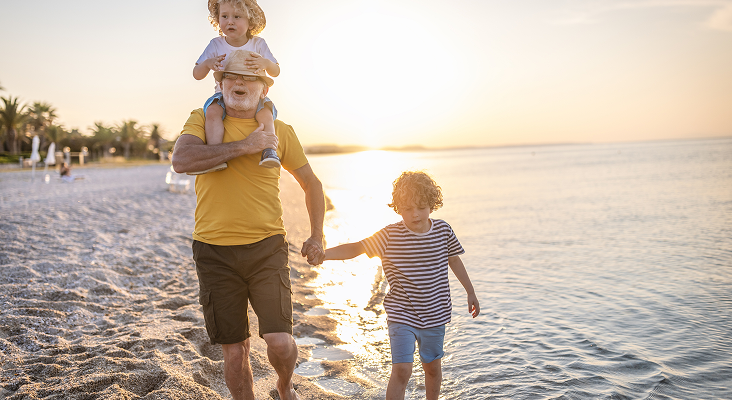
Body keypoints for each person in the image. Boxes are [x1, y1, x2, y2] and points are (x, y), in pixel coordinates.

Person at [172, 51, 325, 400]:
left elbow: (311, 184)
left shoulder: (281, 131)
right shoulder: (201, 118)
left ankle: (284, 386)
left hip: (266, 247)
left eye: (248, 76)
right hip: (213, 250)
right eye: (231, 75)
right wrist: (248, 145)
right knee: (236, 350)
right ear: (219, 83)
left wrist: (317, 235)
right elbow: (182, 160)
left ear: (264, 88)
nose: (239, 82)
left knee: (281, 342)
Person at [321, 171, 480, 400]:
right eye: (407, 209)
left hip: (435, 314)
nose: (415, 215)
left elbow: (454, 259)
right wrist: (324, 255)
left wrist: (470, 291)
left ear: (432, 205)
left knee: (432, 369)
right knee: (402, 370)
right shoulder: (390, 236)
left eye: (421, 207)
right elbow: (356, 247)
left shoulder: (443, 231)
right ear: (398, 208)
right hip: (401, 314)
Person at [192, 0, 281, 175]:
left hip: (254, 96)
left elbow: (276, 71)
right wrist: (208, 63)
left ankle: (269, 150)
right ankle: (215, 154)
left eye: (237, 17)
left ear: (251, 21)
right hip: (223, 95)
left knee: (266, 113)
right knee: (212, 112)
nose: (230, 21)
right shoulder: (216, 44)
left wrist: (265, 63)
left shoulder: (258, 44)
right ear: (217, 19)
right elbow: (196, 74)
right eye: (224, 16)